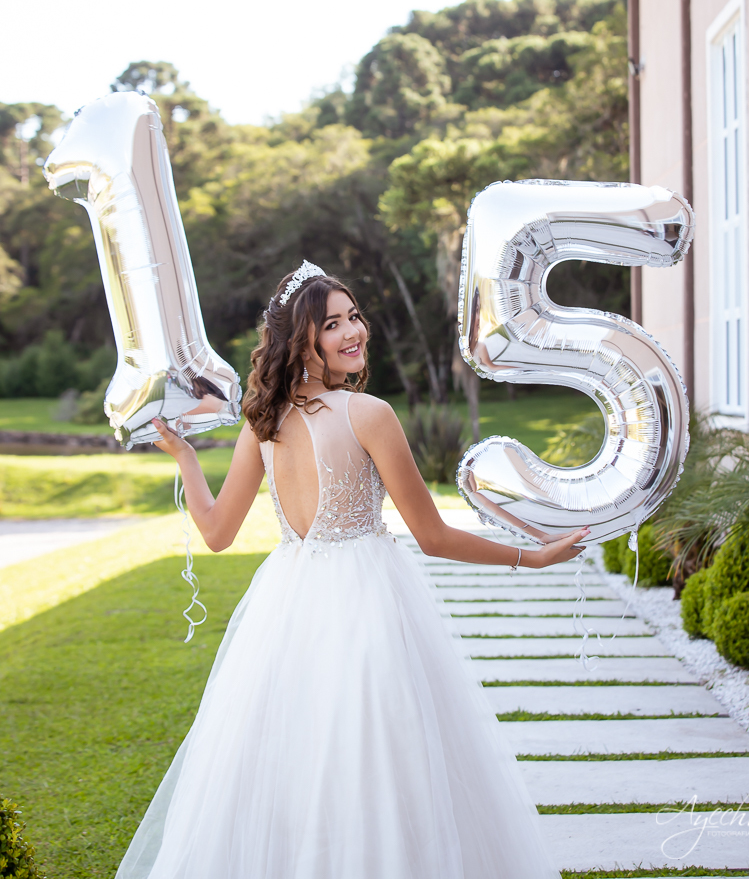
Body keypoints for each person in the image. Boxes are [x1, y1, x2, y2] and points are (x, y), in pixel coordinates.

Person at [115, 262, 589, 879]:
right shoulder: (368, 413)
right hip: (365, 603)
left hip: (287, 609)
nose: (352, 332)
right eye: (331, 324)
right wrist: (533, 555)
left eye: (354, 316)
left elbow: (215, 533)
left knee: (298, 764)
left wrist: (185, 459)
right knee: (380, 759)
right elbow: (435, 536)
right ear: (300, 341)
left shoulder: (262, 423)